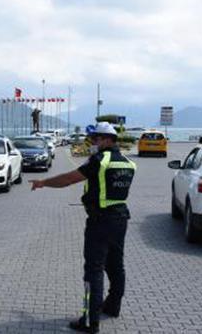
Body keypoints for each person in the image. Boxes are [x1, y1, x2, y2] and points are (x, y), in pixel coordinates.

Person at [29, 122, 135, 333]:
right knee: (116, 267)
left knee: (93, 271)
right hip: (120, 220)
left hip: (100, 222)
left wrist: (43, 182)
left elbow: (68, 179)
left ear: (106, 139)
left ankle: (89, 321)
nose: (92, 143)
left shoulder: (99, 161)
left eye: (95, 139)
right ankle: (113, 307)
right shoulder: (127, 163)